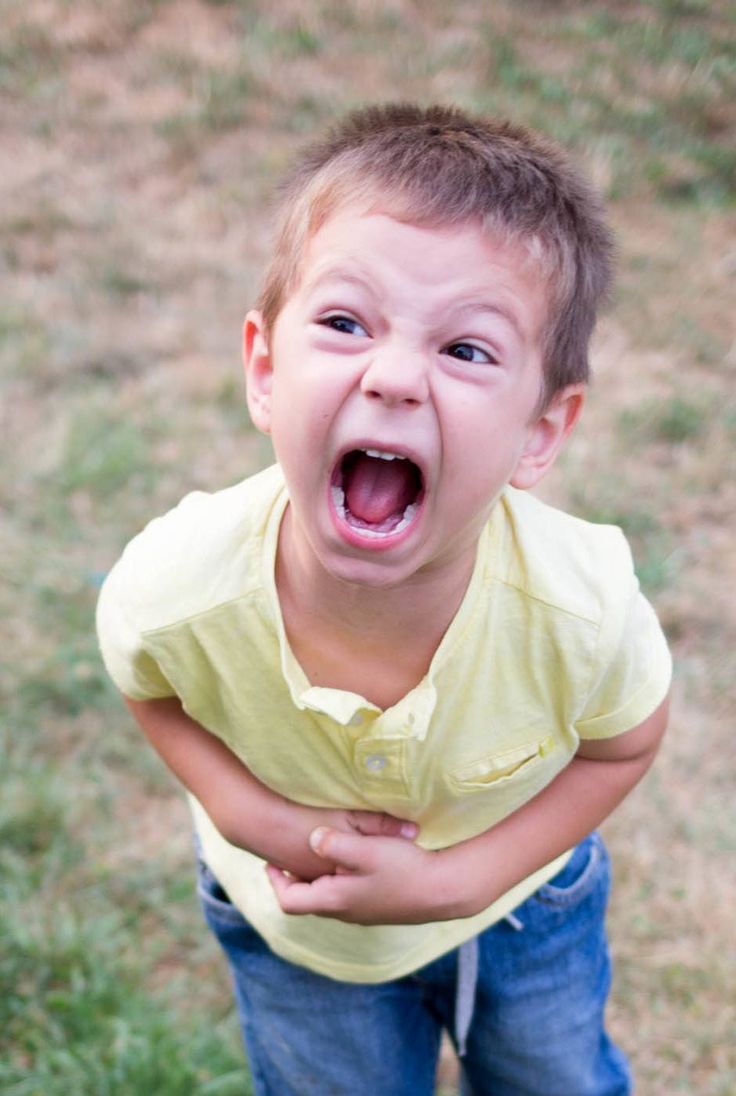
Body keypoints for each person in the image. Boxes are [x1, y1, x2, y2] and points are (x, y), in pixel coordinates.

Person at [96, 104, 671, 1096]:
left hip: (525, 911)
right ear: (266, 369)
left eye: (467, 350)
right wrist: (252, 814)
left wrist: (458, 880)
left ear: (541, 430)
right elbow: (149, 688)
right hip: (298, 932)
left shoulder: (580, 608)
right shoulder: (179, 585)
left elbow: (625, 737)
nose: (396, 376)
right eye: (345, 323)